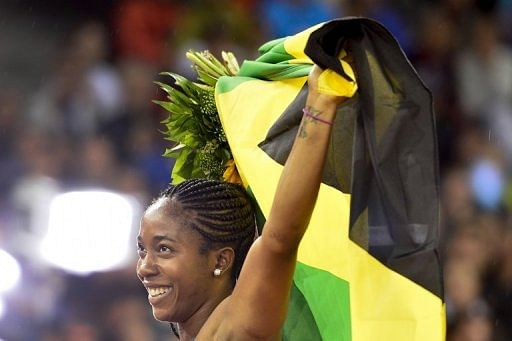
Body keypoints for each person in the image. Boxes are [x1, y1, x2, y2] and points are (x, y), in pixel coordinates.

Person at [136, 64, 346, 340]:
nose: (145, 268)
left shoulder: (236, 328)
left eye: (164, 249)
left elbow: (280, 238)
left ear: (221, 260)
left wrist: (320, 106)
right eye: (142, 249)